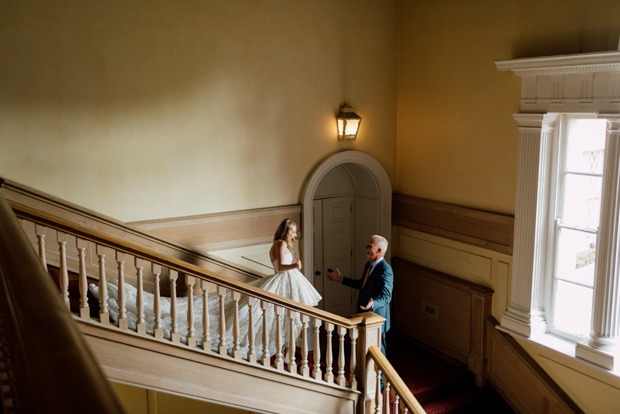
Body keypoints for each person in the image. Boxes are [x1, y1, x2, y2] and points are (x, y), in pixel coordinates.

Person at [89, 218, 321, 361]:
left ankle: (288, 352)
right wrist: (296, 265)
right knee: (286, 317)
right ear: (285, 230)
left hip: (285, 282)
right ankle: (288, 353)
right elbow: (281, 267)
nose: (295, 233)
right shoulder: (279, 244)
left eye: (295, 231)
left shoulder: (280, 243)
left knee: (291, 318)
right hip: (281, 281)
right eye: (293, 230)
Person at [326, 235, 393, 356]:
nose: (366, 247)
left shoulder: (385, 270)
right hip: (364, 315)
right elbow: (362, 284)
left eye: (370, 246)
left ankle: (380, 375)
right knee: (363, 350)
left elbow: (386, 297)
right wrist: (341, 279)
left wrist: (373, 304)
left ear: (379, 251)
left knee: (378, 353)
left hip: (376, 318)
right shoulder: (368, 265)